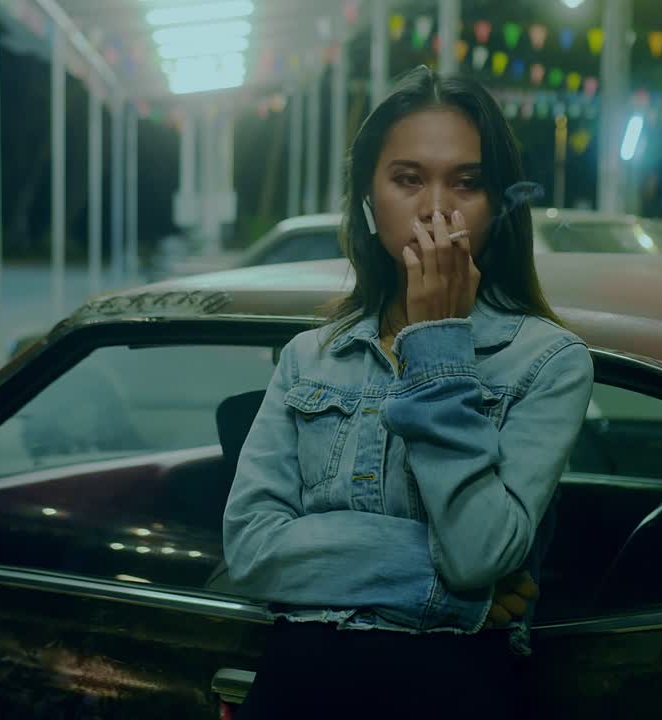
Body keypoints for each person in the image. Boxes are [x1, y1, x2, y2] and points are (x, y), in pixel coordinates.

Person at [222, 66, 594, 718]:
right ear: (369, 199)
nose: (435, 208)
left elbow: (479, 550)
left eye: (467, 182)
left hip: (449, 695)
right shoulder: (313, 356)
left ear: (499, 204)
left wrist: (440, 342)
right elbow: (252, 551)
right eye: (408, 179)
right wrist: (448, 591)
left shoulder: (547, 360)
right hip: (297, 691)